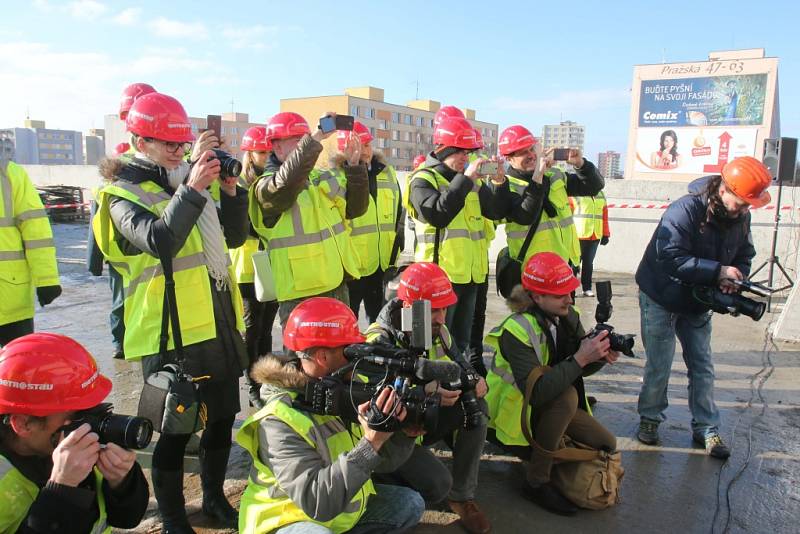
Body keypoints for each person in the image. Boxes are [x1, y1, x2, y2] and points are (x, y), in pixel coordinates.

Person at [93, 92, 249, 532]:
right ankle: (175, 519)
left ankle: (215, 500)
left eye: (183, 145)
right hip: (168, 333)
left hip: (215, 322)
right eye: (169, 146)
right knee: (174, 431)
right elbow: (160, 240)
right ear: (140, 141)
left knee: (221, 421)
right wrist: (194, 187)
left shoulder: (181, 181)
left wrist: (231, 191)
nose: (179, 153)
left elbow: (235, 238)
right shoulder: (119, 193)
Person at [236, 297, 425, 533]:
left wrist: (400, 433)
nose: (357, 359)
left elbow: (381, 463)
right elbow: (318, 502)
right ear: (322, 357)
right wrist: (370, 443)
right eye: (350, 351)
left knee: (408, 504)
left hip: (337, 513)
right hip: (288, 521)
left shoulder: (340, 389)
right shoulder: (277, 420)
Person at [635, 156, 772, 458]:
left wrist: (734, 276)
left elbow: (744, 253)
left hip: (698, 299)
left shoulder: (740, 217)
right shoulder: (685, 210)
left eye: (750, 204)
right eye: (743, 202)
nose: (746, 209)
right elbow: (670, 256)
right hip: (661, 295)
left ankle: (707, 428)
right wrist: (717, 271)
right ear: (724, 190)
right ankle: (649, 419)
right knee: (659, 364)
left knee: (702, 365)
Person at [484, 252, 618, 515]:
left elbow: (580, 369)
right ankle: (536, 482)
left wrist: (599, 356)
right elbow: (539, 393)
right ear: (536, 297)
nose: (569, 299)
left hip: (549, 404)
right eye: (560, 294)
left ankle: (550, 447)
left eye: (569, 291)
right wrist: (581, 358)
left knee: (607, 444)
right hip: (513, 415)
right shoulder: (516, 330)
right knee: (567, 397)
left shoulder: (567, 314)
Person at [365, 262, 491, 534]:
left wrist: (475, 381)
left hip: (424, 419)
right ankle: (376, 476)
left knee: (477, 406)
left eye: (444, 309)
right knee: (436, 486)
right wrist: (424, 392)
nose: (441, 318)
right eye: (434, 310)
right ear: (408, 308)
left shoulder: (440, 332)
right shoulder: (378, 340)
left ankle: (462, 496)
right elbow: (373, 403)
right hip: (390, 434)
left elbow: (462, 366)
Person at [0, 333, 149, 533]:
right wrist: (61, 489)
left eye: (93, 408)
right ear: (24, 424)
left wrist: (122, 482)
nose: (89, 423)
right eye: (78, 414)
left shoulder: (81, 445)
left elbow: (128, 518)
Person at [249, 112, 368, 327]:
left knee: (343, 355)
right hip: (300, 295)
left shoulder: (318, 177)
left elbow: (355, 209)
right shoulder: (265, 186)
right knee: (302, 359)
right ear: (277, 147)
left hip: (337, 285)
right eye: (298, 141)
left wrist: (354, 167)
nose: (305, 145)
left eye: (305, 140)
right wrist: (314, 140)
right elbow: (284, 186)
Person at [405, 115, 509, 353]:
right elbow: (438, 214)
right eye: (460, 151)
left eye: (469, 152)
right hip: (437, 278)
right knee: (431, 344)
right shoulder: (422, 179)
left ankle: (457, 386)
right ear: (442, 150)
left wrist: (500, 182)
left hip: (469, 276)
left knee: (459, 343)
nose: (466, 157)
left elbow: (495, 211)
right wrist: (467, 179)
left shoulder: (470, 181)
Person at [86, 83, 156, 360]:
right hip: (124, 240)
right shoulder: (120, 164)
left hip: (144, 239)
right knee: (121, 298)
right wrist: (95, 259)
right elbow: (98, 210)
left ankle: (126, 341)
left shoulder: (158, 158)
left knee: (132, 297)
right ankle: (121, 343)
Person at [498, 125, 605, 271]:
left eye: (532, 149)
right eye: (523, 152)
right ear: (509, 159)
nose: (531, 155)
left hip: (565, 264)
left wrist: (581, 164)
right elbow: (526, 216)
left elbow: (594, 187)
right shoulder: (507, 186)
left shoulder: (554, 175)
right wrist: (538, 176)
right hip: (533, 270)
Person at [330, 121, 403, 324]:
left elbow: (398, 214)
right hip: (351, 267)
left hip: (381, 262)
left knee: (380, 321)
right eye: (357, 146)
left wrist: (397, 245)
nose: (364, 151)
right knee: (347, 321)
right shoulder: (337, 177)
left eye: (367, 145)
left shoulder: (387, 173)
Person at [233, 126, 280, 409]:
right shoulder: (238, 182)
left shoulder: (274, 180)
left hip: (272, 264)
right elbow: (241, 224)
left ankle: (266, 377)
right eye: (261, 151)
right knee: (251, 329)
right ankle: (252, 382)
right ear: (250, 153)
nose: (266, 156)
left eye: (268, 151)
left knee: (265, 329)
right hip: (247, 266)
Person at [0, 144, 61, 346]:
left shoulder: (9, 173)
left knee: (18, 369)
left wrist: (47, 279)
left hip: (9, 303)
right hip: (10, 292)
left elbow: (36, 231)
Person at [569, 190, 610, 297]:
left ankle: (586, 288)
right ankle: (570, 290)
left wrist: (606, 233)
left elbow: (604, 216)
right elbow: (567, 216)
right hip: (578, 235)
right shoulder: (575, 192)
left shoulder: (601, 194)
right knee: (574, 264)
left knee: (588, 264)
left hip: (595, 235)